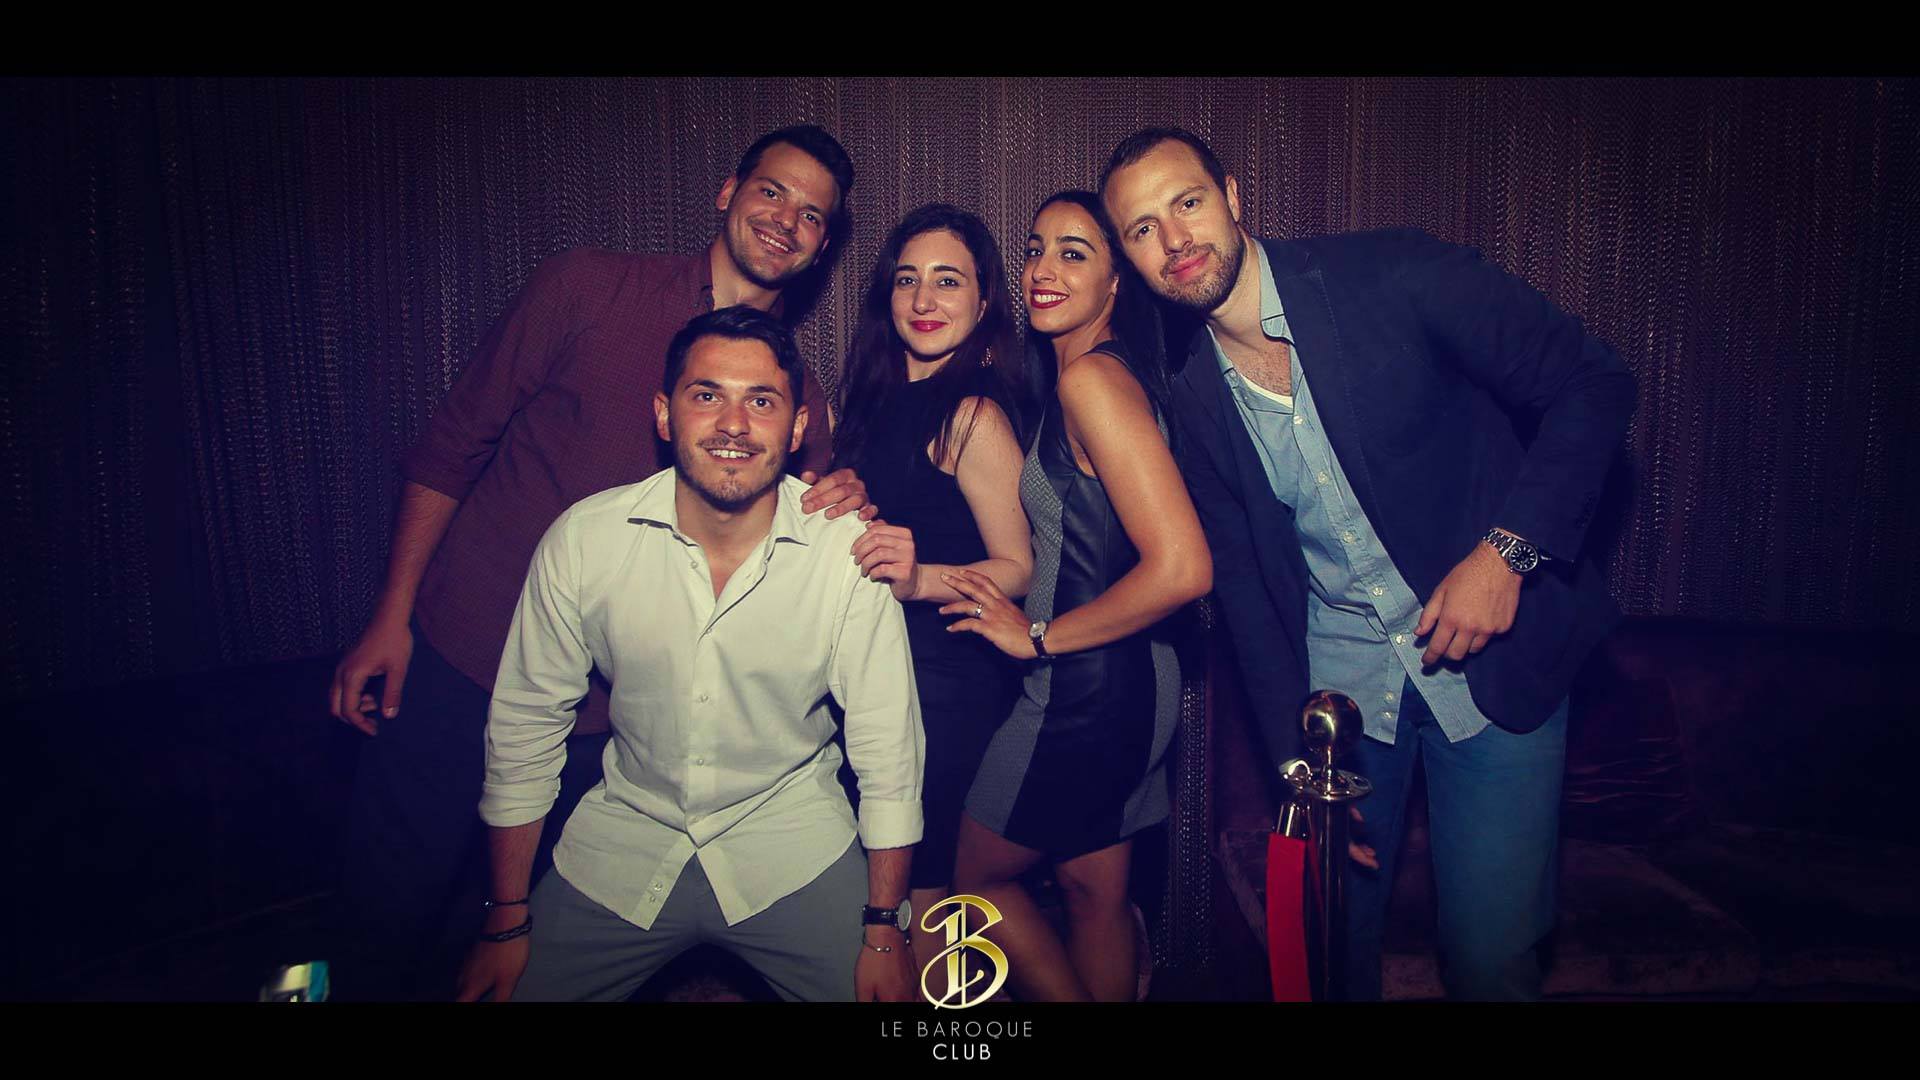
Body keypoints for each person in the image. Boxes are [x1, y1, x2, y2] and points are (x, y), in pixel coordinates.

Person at [326, 125, 876, 999]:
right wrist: (392, 617)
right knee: (386, 912)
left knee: (513, 942)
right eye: (772, 191)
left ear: (823, 245)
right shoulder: (586, 286)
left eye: (813, 214)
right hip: (464, 657)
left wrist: (843, 494)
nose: (786, 220)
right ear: (728, 192)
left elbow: (801, 534)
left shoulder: (796, 394)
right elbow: (451, 446)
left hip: (609, 720)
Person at [1100, 128, 1637, 1001]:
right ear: (1130, 257)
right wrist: (1296, 765)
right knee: (1329, 962)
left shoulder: (1392, 272)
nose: (1175, 239)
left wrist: (1507, 554)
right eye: (1142, 229)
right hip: (1342, 707)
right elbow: (1246, 591)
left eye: (1187, 203)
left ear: (1231, 196)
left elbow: (1594, 382)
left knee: (1491, 962)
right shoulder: (1190, 394)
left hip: (1495, 674)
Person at [454, 305, 924, 1003]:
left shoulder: (846, 551)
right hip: (625, 840)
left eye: (761, 401)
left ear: (798, 427)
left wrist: (885, 931)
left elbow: (889, 750)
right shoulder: (585, 541)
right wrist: (504, 919)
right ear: (663, 414)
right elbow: (525, 729)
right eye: (707, 395)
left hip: (791, 842)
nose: (733, 424)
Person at [940, 190, 1212, 1003]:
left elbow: (1183, 569)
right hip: (1133, 682)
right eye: (1035, 248)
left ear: (1116, 281)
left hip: (1083, 691)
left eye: (1074, 252)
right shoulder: (1100, 376)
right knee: (1093, 893)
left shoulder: (1093, 381)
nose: (1043, 270)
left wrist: (1037, 637)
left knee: (974, 885)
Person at [831, 204, 1031, 985]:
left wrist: (919, 580)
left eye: (948, 281)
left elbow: (1019, 566)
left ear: (983, 303)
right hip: (872, 670)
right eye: (907, 279)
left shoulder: (972, 413)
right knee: (882, 893)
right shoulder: (868, 402)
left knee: (927, 891)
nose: (923, 299)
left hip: (945, 682)